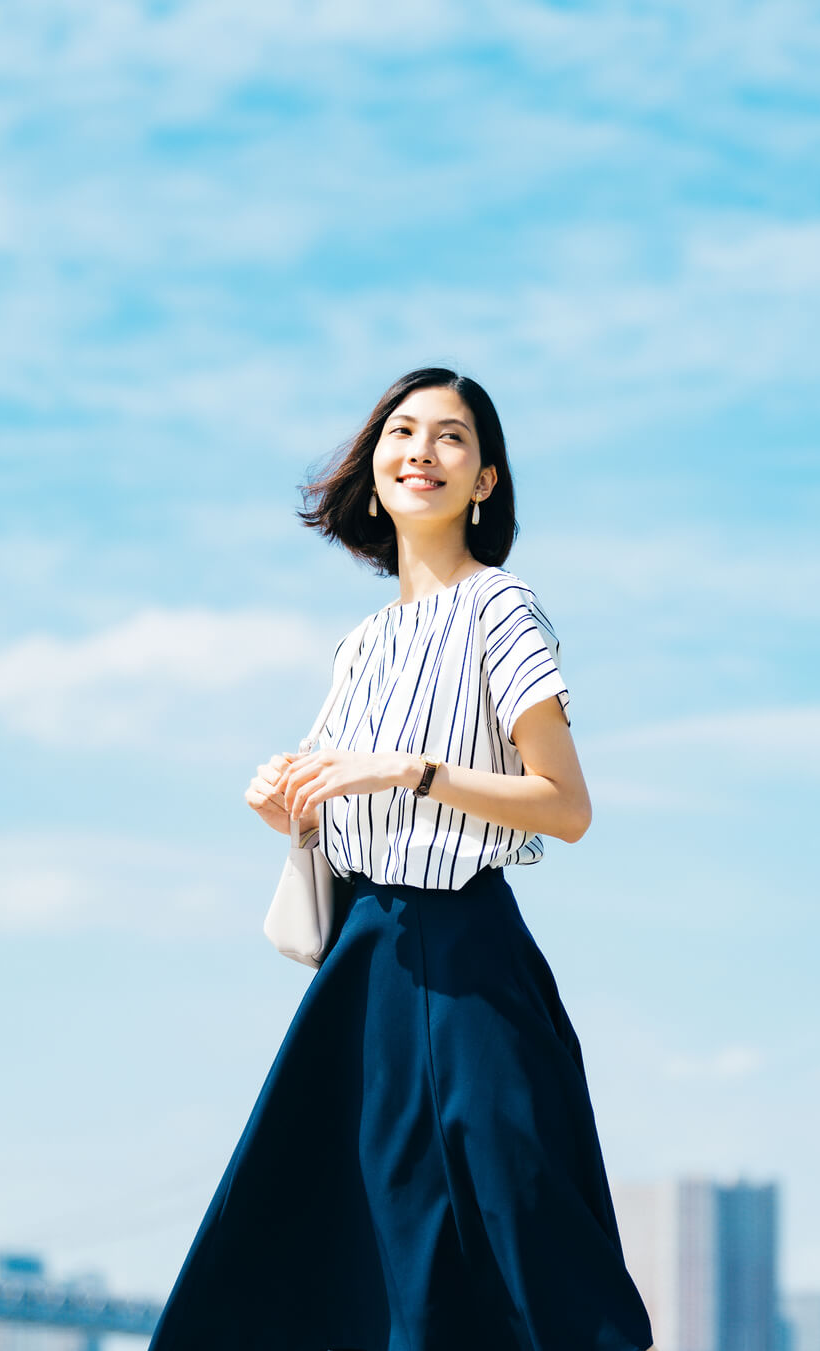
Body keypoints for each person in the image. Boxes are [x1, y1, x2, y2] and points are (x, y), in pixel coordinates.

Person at [147, 368, 654, 1351]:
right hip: (367, 968)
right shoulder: (360, 646)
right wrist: (283, 805)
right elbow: (340, 820)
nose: (420, 449)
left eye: (450, 437)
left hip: (470, 957)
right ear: (374, 475)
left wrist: (416, 770)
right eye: (401, 432)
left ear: (485, 482)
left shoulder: (499, 609)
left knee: (524, 1229)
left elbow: (567, 807)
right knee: (341, 1250)